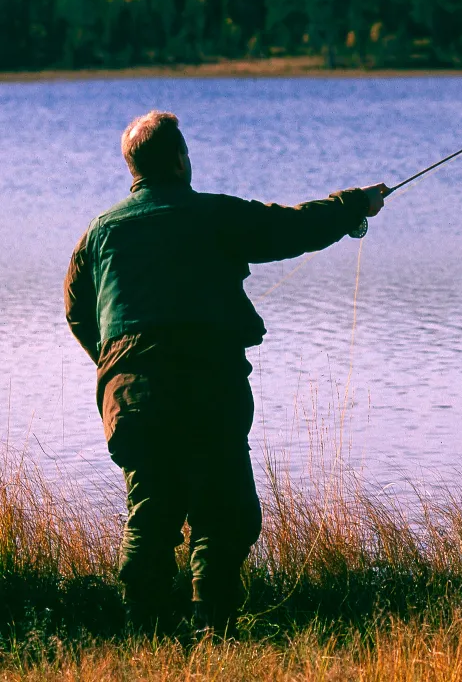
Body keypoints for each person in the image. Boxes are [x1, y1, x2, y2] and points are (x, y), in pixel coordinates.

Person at [64, 110, 388, 638]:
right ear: (179, 159)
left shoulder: (98, 234)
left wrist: (114, 362)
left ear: (132, 167)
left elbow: (78, 311)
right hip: (207, 387)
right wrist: (354, 203)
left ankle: (144, 629)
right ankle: (213, 630)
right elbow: (294, 227)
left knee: (151, 512)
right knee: (224, 513)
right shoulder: (213, 215)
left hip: (130, 397)